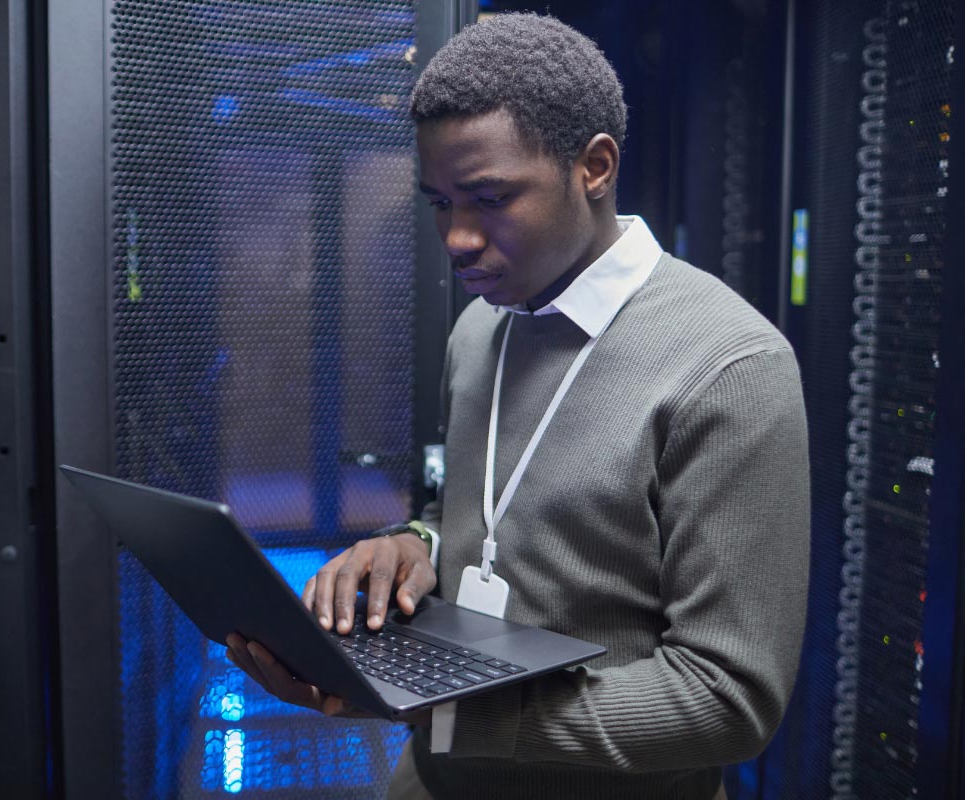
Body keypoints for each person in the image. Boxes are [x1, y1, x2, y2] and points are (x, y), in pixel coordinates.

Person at [227, 12, 809, 799]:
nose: (458, 238)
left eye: (490, 197)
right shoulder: (481, 328)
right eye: (439, 202)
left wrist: (452, 717)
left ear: (594, 166)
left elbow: (729, 699)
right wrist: (417, 542)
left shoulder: (729, 365)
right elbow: (487, 512)